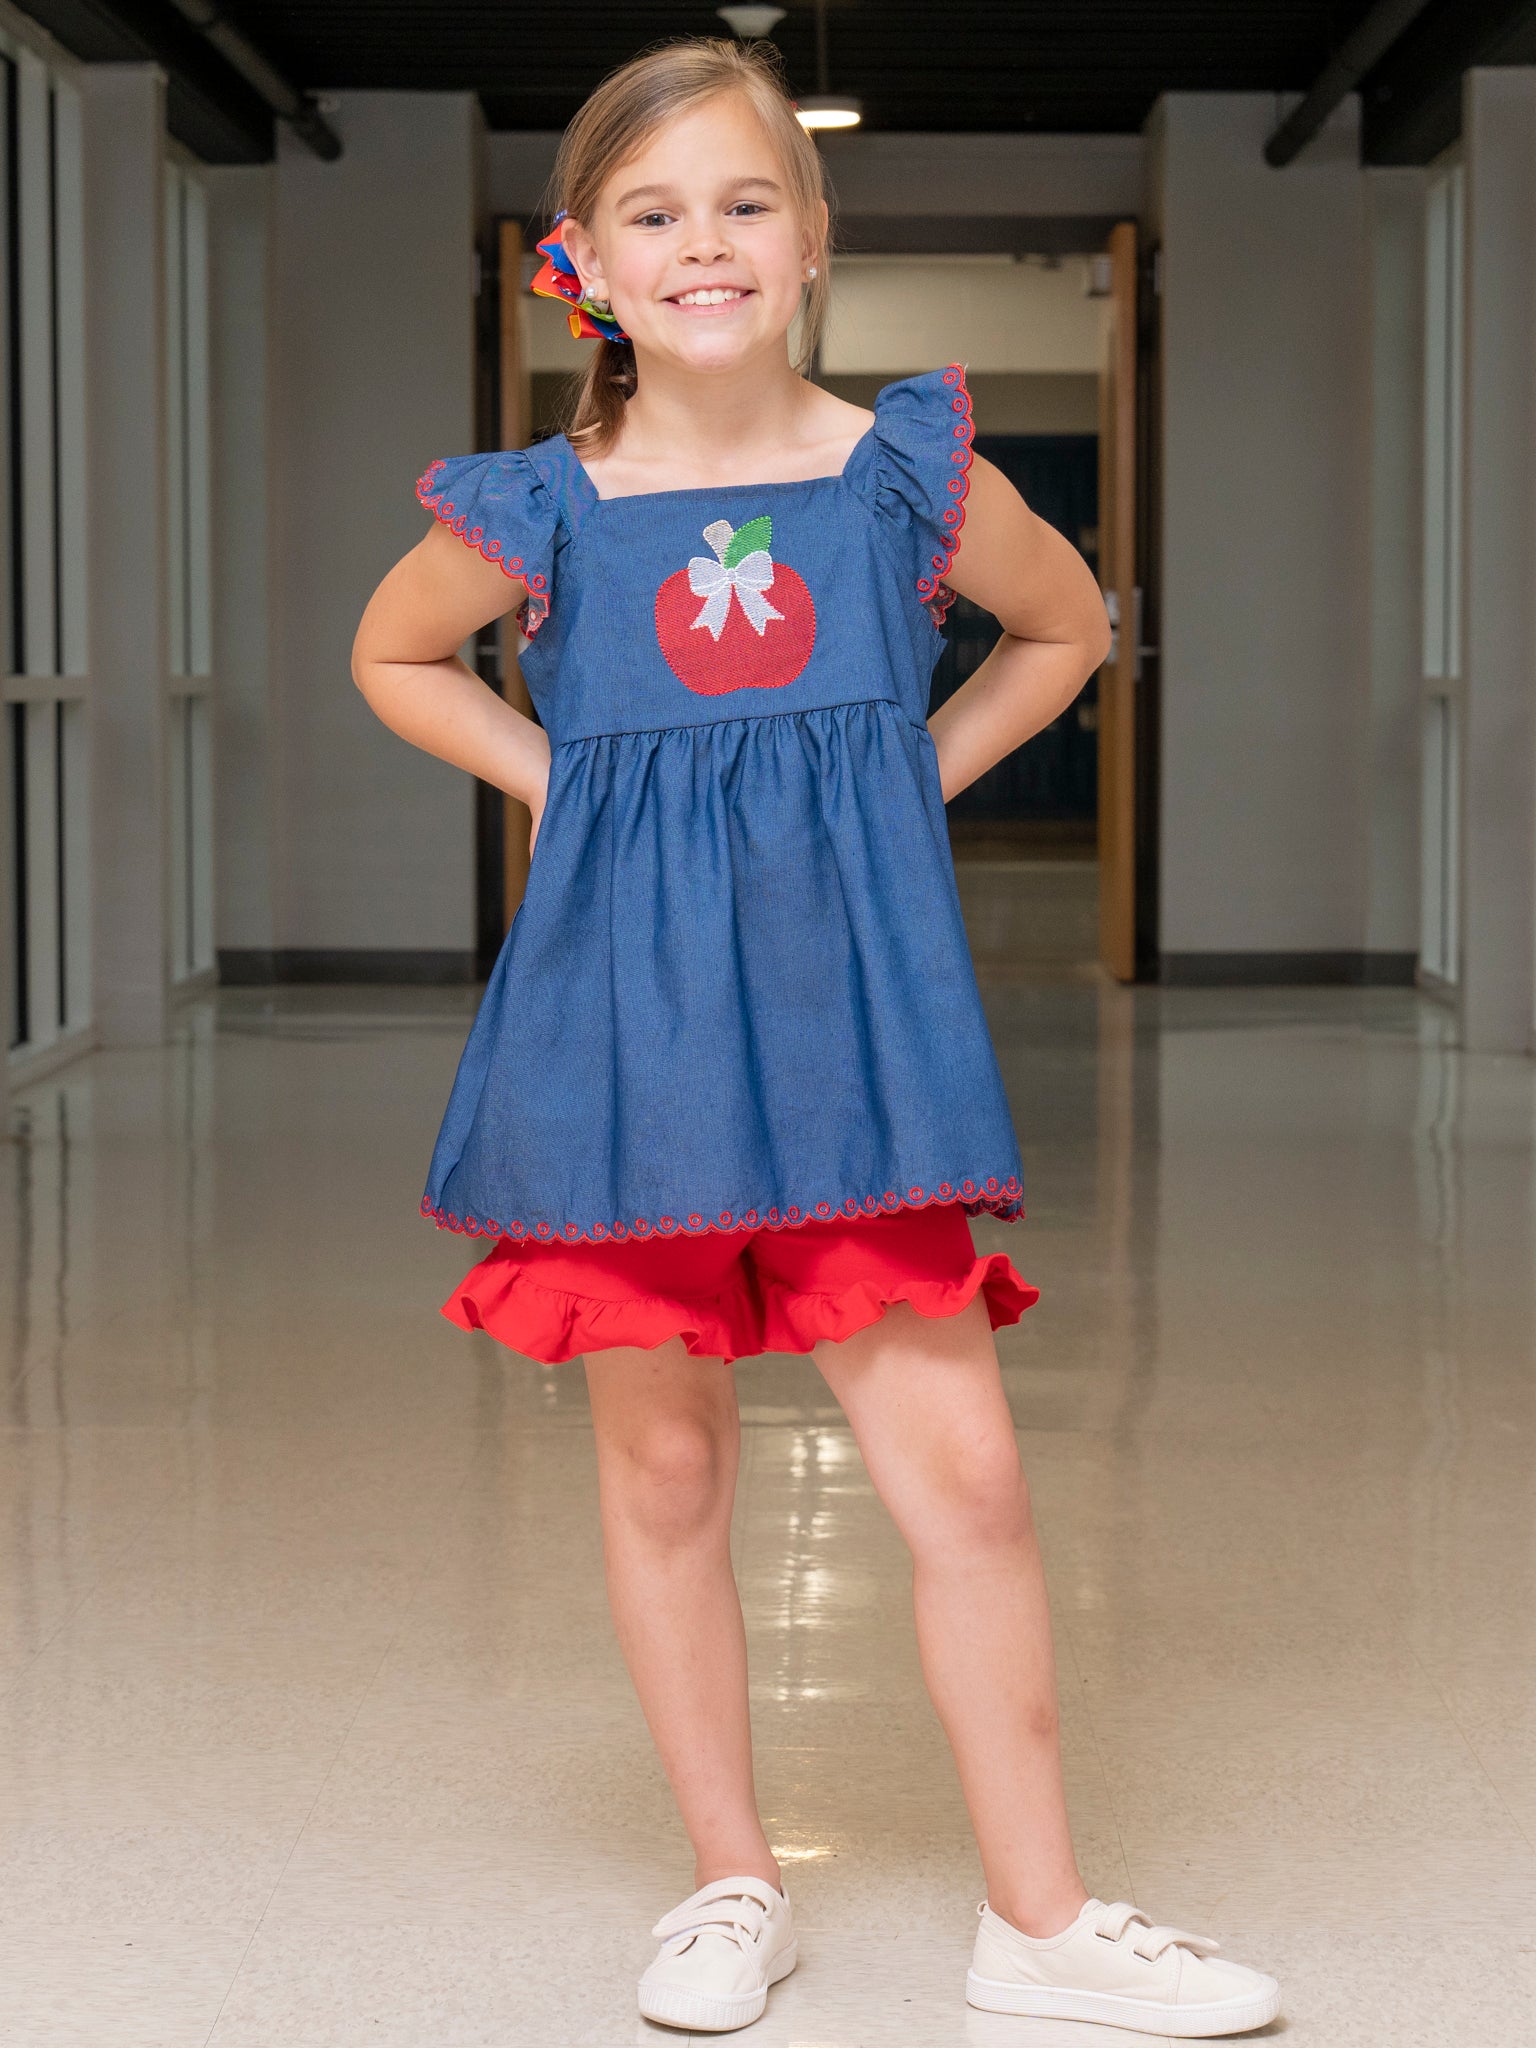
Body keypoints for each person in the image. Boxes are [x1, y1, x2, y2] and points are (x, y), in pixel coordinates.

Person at [351, 34, 1281, 2041]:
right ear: (586, 261)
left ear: (812, 232)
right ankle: (729, 1882)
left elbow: (1069, 626)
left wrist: (908, 778)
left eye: (744, 202)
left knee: (969, 1479)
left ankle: (1039, 1917)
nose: (704, 244)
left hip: (860, 1047)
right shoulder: (543, 506)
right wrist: (564, 782)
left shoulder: (904, 478)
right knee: (666, 1472)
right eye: (654, 212)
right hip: (627, 1044)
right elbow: (392, 652)